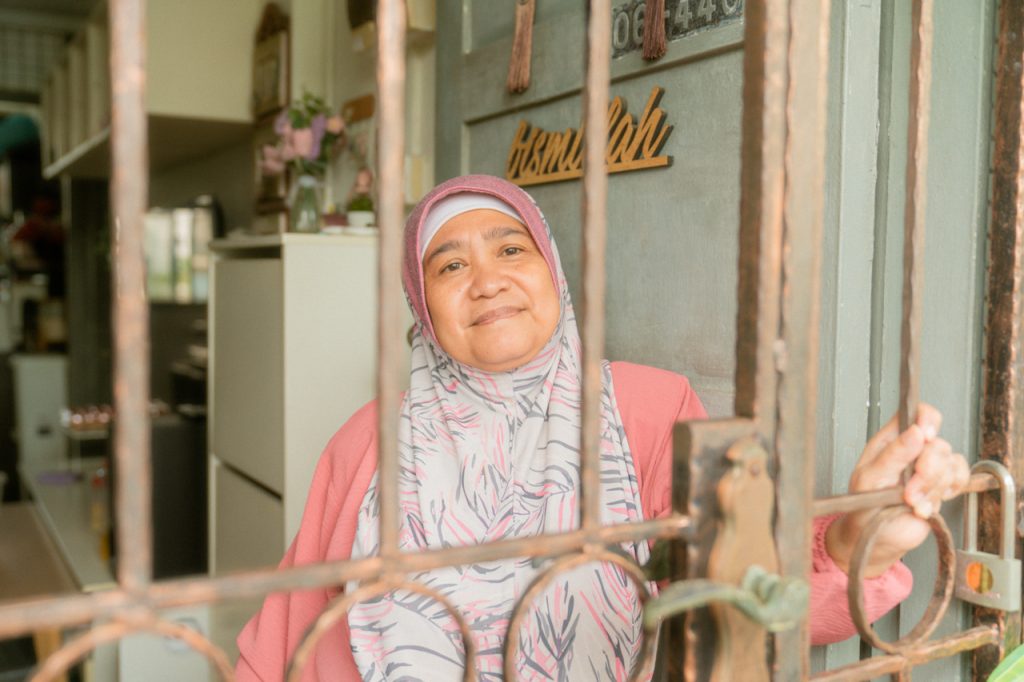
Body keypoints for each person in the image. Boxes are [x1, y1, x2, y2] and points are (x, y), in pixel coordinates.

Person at [235, 175, 970, 681]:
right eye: (449, 264)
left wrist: (857, 537)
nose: (487, 278)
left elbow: (740, 594)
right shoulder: (367, 441)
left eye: (511, 249)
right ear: (422, 309)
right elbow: (282, 639)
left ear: (553, 271)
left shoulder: (649, 407)